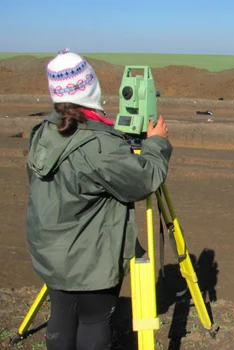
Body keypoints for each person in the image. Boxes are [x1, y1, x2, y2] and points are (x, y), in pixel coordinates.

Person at [26, 49, 172, 350]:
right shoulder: (99, 145)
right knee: (94, 320)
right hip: (89, 260)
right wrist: (156, 142)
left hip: (52, 251)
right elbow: (144, 179)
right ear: (91, 87)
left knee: (63, 315)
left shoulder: (44, 130)